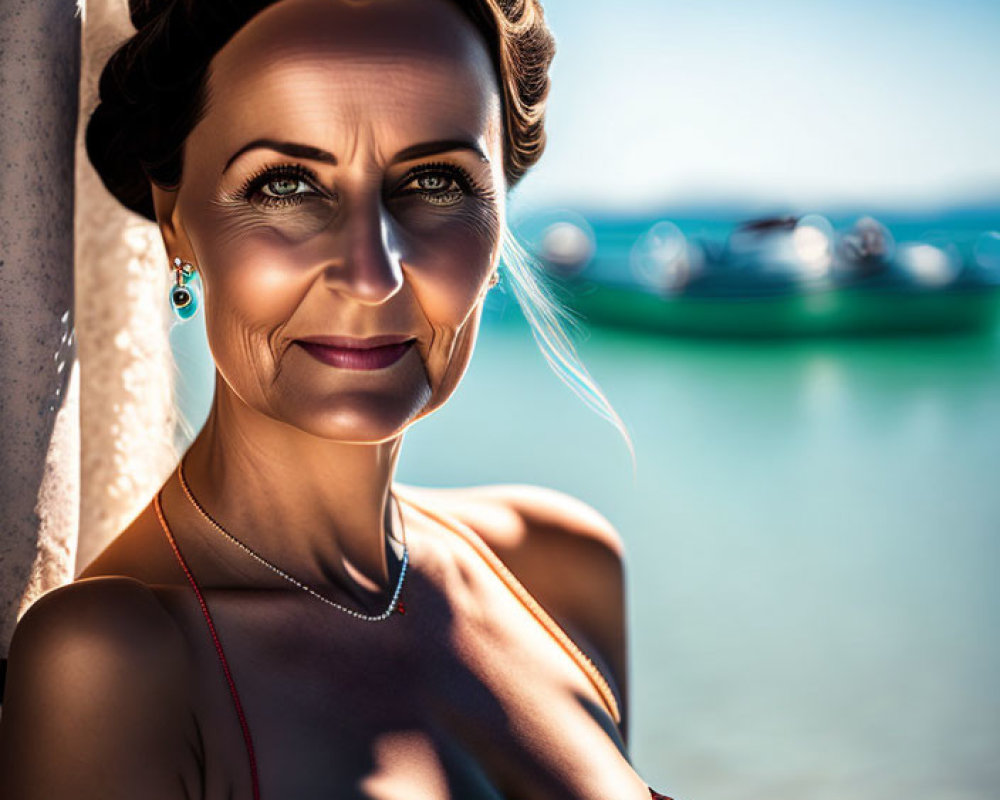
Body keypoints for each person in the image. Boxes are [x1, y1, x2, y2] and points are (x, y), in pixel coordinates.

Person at [0, 0, 672, 797]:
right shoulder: (114, 665)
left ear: (497, 230)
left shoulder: (565, 568)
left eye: (434, 180)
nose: (371, 272)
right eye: (286, 184)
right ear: (174, 222)